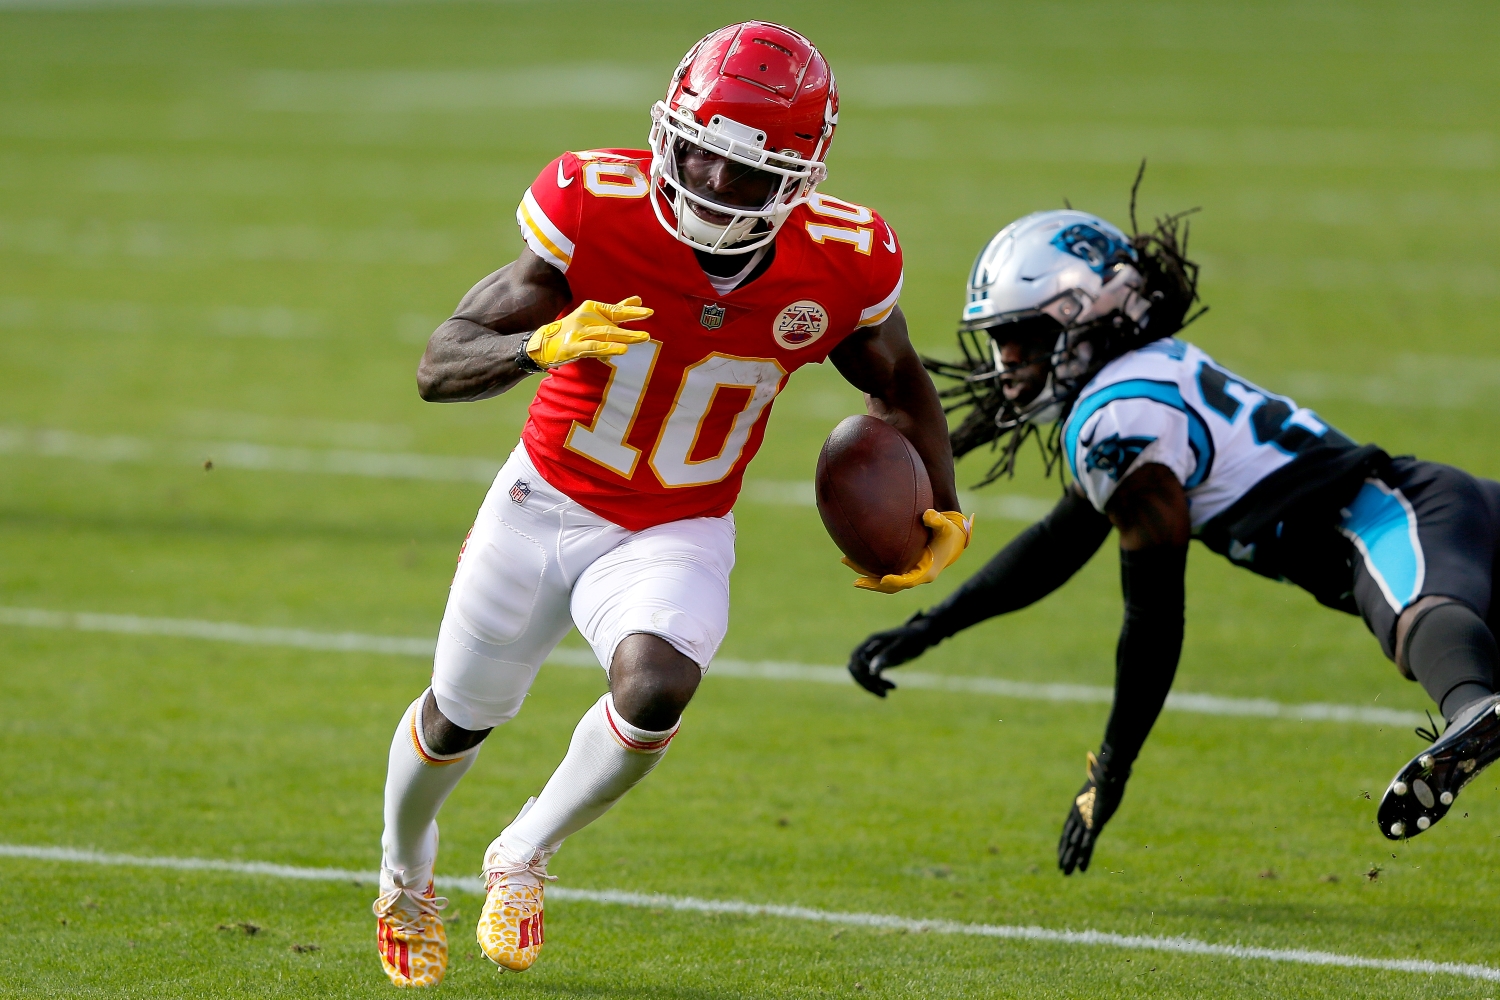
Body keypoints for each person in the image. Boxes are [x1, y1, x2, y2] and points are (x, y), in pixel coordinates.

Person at [371, 21, 972, 987]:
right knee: (457, 720)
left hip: (676, 524)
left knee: (656, 689)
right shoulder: (595, 208)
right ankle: (404, 871)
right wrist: (539, 348)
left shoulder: (840, 259)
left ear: (801, 179)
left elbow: (897, 383)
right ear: (669, 129)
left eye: (747, 170)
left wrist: (942, 505)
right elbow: (439, 364)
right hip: (542, 499)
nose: (710, 183)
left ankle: (521, 855)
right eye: (697, 151)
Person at [846, 203, 1500, 876]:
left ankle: (1472, 711)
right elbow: (1057, 545)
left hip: (1393, 518)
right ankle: (1475, 705)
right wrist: (928, 629)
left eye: (1024, 335)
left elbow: (1153, 618)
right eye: (1001, 339)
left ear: (1088, 317)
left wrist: (1111, 771)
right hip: (1444, 505)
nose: (1007, 359)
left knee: (1416, 620)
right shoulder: (1138, 387)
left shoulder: (1120, 419)